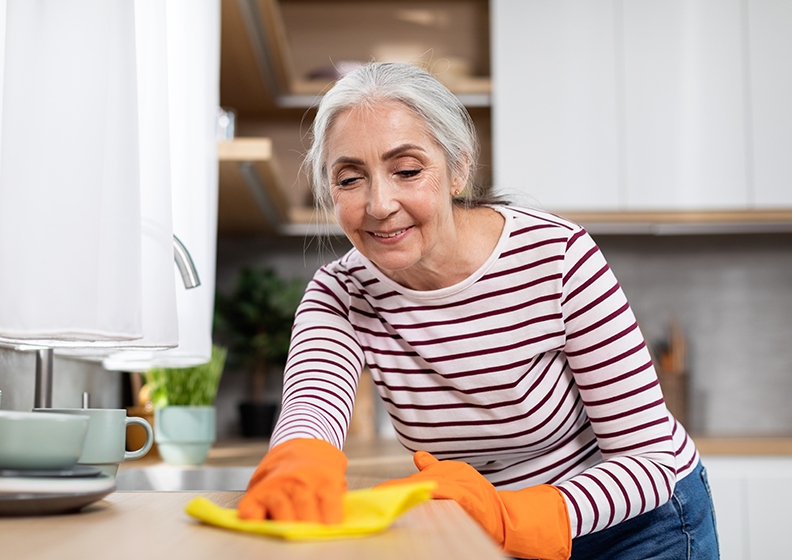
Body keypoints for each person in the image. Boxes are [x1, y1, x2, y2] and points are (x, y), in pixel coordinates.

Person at [237, 62, 720, 560]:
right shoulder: (340, 293)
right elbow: (311, 406)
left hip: (638, 527)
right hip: (490, 529)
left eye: (407, 170)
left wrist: (513, 515)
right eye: (350, 178)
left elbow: (648, 459)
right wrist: (299, 458)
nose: (379, 204)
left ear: (458, 169)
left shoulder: (556, 257)